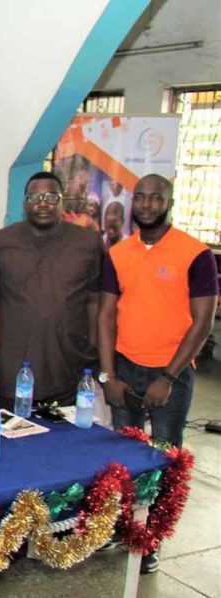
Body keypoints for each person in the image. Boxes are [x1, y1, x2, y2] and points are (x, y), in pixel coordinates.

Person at [98, 175, 218, 574]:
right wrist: (109, 376)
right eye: (141, 198)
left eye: (156, 198)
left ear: (169, 202)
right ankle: (121, 527)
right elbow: (106, 316)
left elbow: (203, 322)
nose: (147, 205)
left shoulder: (196, 253)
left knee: (165, 457)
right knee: (122, 456)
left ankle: (151, 540)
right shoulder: (119, 253)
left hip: (172, 373)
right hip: (125, 367)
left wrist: (167, 376)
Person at [0, 172, 104, 409]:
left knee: (63, 432)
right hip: (10, 367)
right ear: (24, 204)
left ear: (63, 201)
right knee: (8, 430)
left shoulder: (88, 242)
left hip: (67, 365)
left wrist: (92, 351)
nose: (42, 203)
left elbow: (95, 301)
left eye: (51, 197)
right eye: (34, 197)